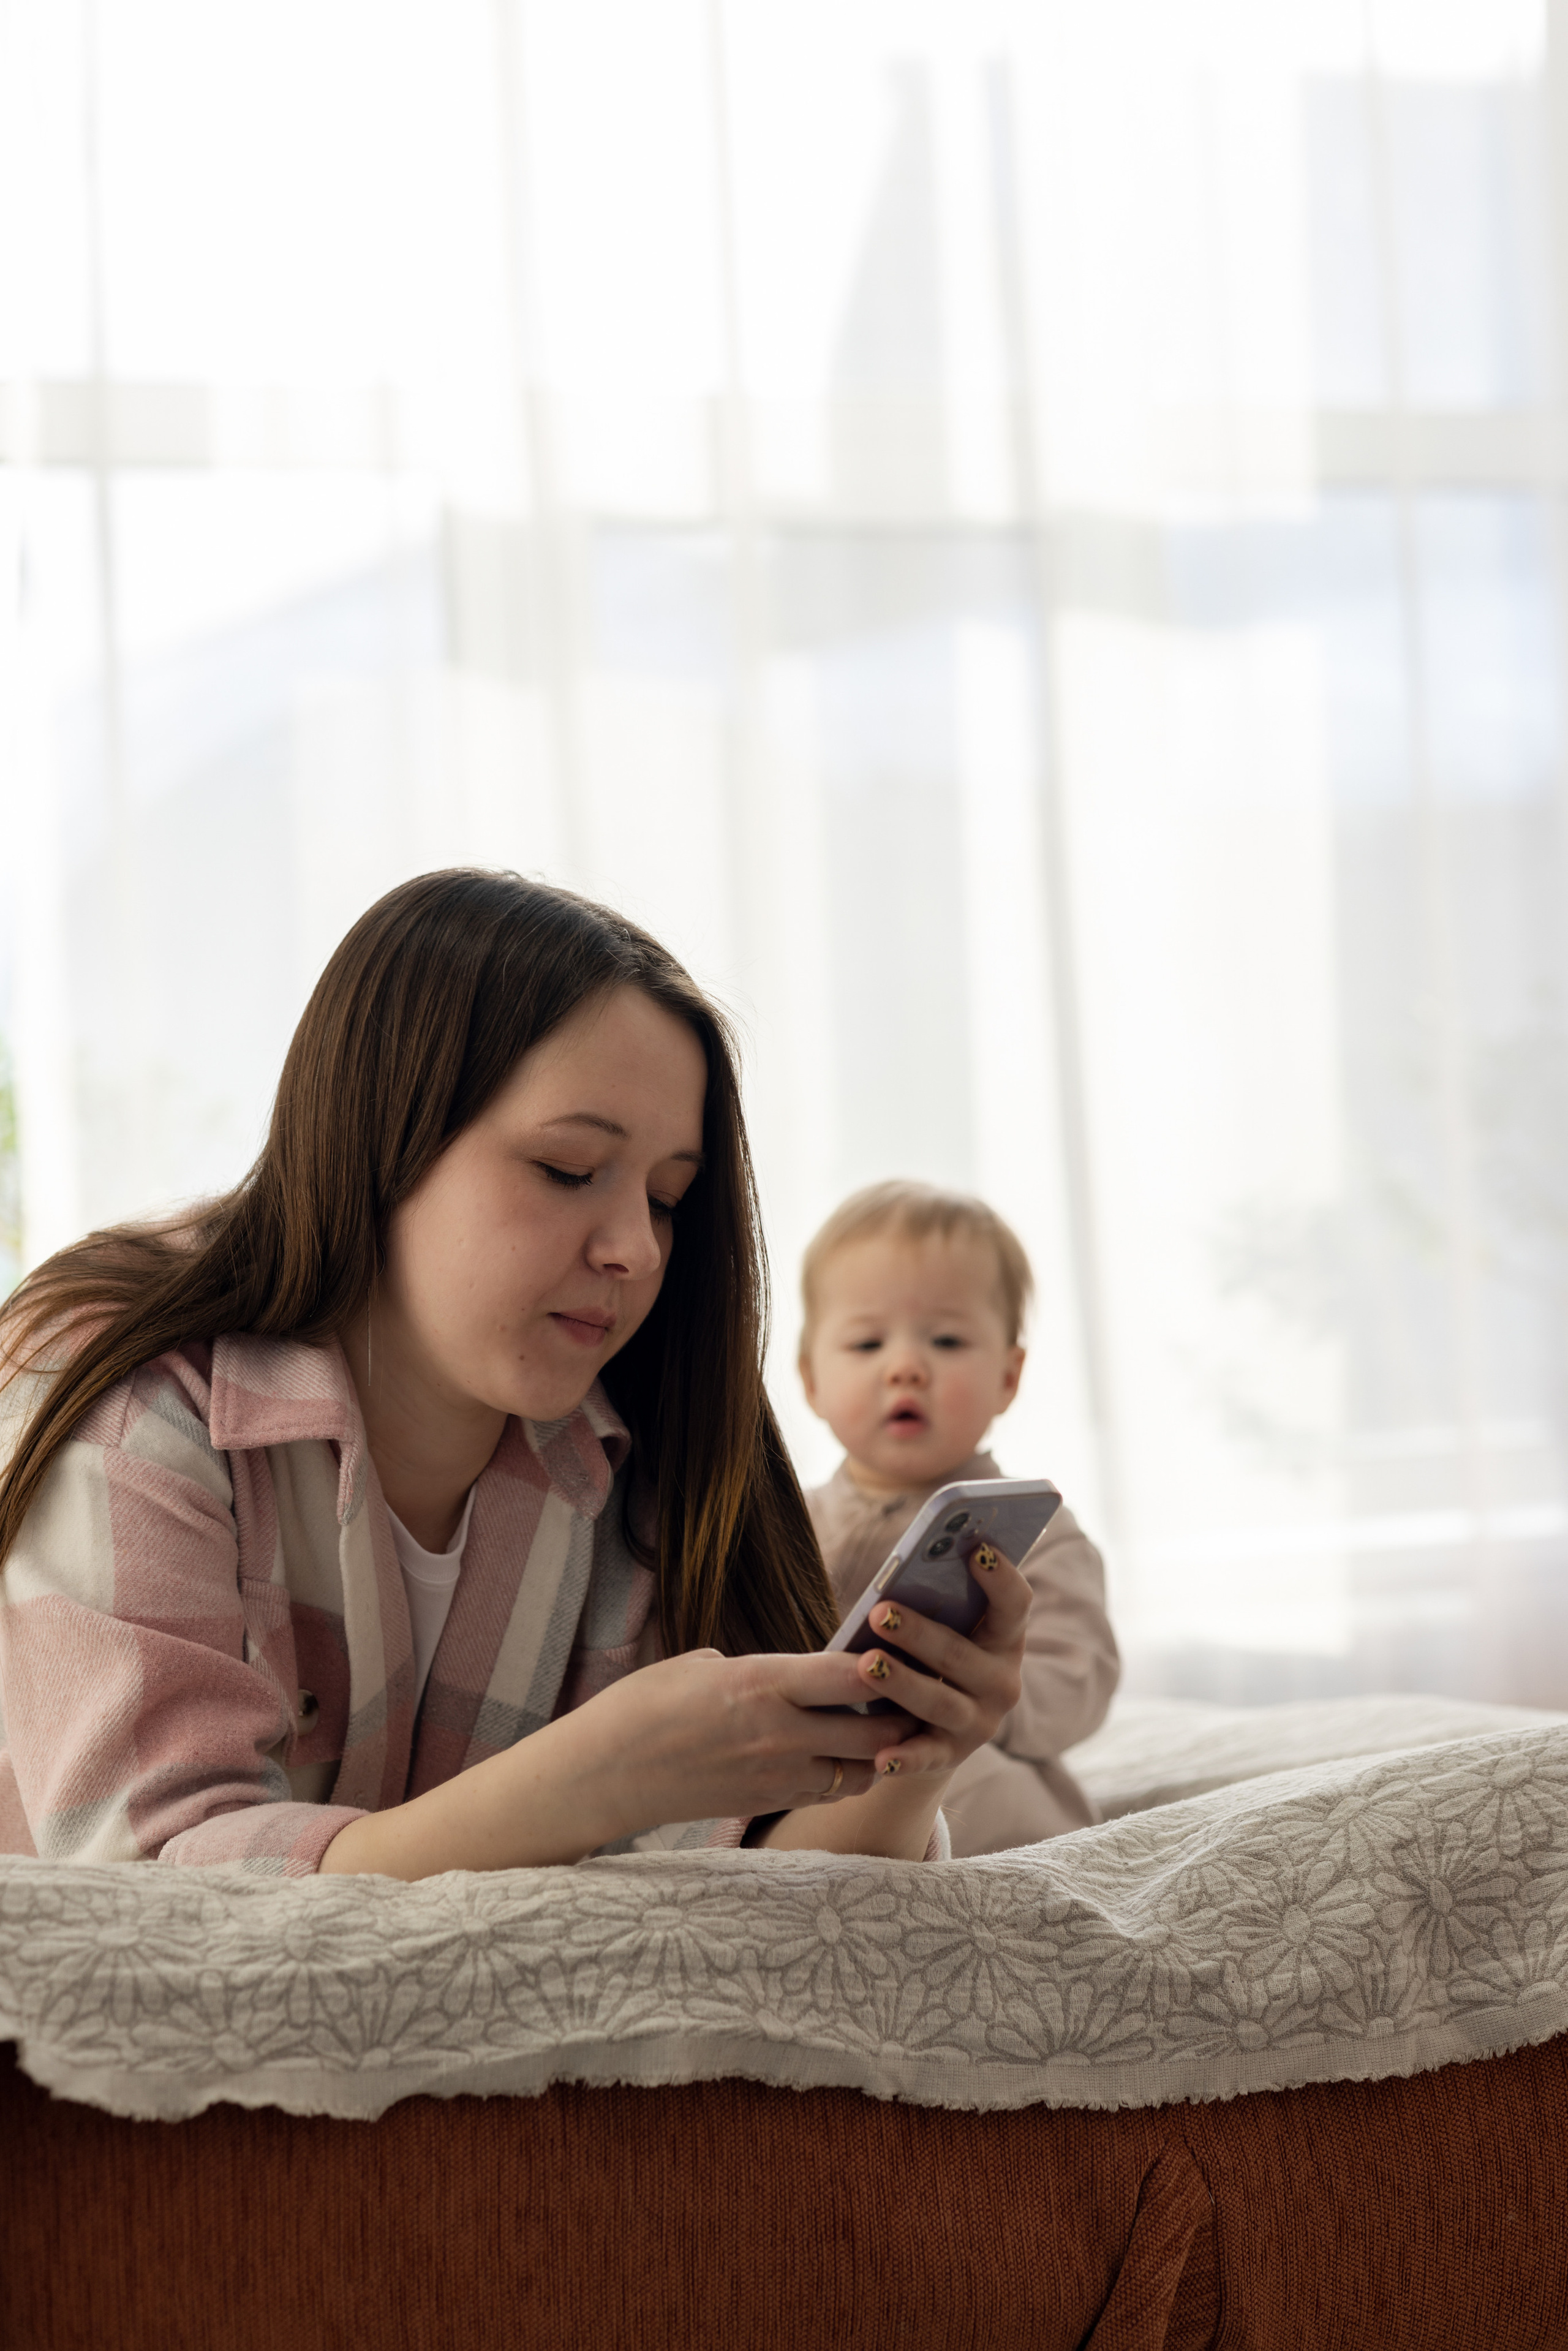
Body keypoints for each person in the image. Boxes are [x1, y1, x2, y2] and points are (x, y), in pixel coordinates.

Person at [0, 874, 1034, 1877]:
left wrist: (910, 1755)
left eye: (668, 1198)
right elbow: (151, 1893)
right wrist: (592, 1781)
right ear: (382, 1137)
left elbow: (755, 1892)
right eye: (568, 1170)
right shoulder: (131, 1396)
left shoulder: (627, 1445)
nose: (636, 1248)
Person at [798, 1180, 1119, 1856]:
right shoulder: (785, 1524)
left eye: (946, 1340)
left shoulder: (1037, 1532)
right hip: (823, 1798)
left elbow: (1080, 1676)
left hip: (988, 1805)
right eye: (867, 1343)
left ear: (1008, 1377)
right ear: (810, 1380)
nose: (906, 1368)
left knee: (981, 1779)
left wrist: (978, 1701)